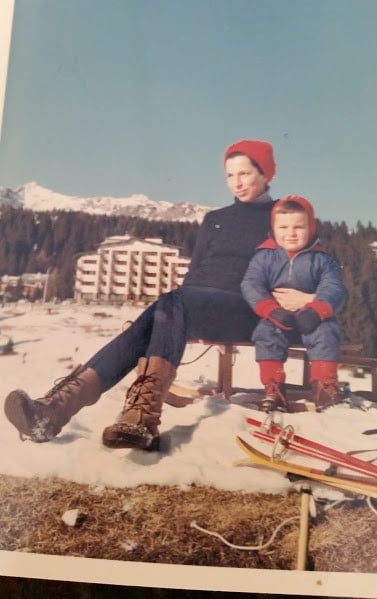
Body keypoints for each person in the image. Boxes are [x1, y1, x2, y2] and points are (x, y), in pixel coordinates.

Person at [4, 140, 312, 451]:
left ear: (266, 173)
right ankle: (72, 413)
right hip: (197, 305)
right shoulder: (215, 219)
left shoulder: (283, 216)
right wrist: (187, 307)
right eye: (230, 176)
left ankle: (85, 411)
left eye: (245, 174)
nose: (237, 182)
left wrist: (299, 295)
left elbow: (309, 265)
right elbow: (195, 273)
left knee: (173, 300)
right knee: (172, 300)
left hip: (250, 309)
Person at [240, 195, 348, 413]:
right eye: (284, 227)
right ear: (273, 228)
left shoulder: (322, 259)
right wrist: (271, 310)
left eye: (299, 227)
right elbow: (251, 284)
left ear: (311, 228)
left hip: (311, 318)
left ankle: (325, 387)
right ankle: (274, 388)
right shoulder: (264, 257)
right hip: (278, 317)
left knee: (327, 333)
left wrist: (317, 310)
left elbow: (335, 288)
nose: (291, 233)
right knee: (266, 334)